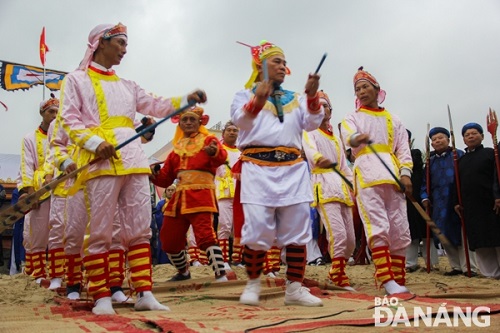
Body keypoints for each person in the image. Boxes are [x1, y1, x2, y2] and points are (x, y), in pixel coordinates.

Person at [52, 22, 206, 315]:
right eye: (120, 43)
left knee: (139, 230)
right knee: (100, 232)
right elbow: (70, 121)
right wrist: (95, 142)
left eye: (126, 44)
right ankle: (101, 296)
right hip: (101, 164)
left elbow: (158, 105)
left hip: (134, 161)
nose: (124, 50)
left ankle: (144, 292)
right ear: (101, 42)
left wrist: (186, 100)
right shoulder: (75, 80)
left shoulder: (128, 85)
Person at [231, 40, 324, 307]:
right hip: (257, 168)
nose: (283, 67)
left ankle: (294, 288)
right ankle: (252, 283)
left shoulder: (296, 98)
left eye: (284, 62)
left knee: (297, 231)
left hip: (293, 168)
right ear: (261, 65)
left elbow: (312, 121)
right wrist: (259, 98)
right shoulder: (242, 95)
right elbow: (242, 121)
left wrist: (312, 96)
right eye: (277, 62)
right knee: (258, 228)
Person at [340, 67, 412, 295]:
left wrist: (406, 174)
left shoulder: (394, 119)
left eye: (365, 87)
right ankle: (386, 279)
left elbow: (403, 149)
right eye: (357, 89)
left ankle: (399, 279)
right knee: (378, 227)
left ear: (377, 89)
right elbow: (347, 136)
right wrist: (355, 138)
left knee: (400, 230)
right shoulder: (353, 117)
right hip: (367, 176)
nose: (361, 92)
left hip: (393, 178)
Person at [151, 105, 229, 281]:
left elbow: (222, 157)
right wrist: (153, 174)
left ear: (200, 122)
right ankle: (183, 271)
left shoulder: (209, 140)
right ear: (179, 124)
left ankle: (220, 273)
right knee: (168, 239)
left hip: (201, 196)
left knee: (205, 236)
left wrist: (214, 152)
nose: (188, 122)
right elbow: (165, 179)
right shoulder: (176, 149)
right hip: (179, 199)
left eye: (192, 119)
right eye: (184, 119)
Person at [303, 91, 356, 290]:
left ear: (330, 111)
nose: (321, 110)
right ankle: (338, 274)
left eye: (324, 106)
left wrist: (353, 186)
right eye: (316, 106)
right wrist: (318, 158)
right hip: (323, 186)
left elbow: (344, 166)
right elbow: (310, 152)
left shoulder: (335, 138)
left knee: (350, 239)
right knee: (338, 234)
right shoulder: (309, 132)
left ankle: (337, 270)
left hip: (341, 188)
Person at [421, 127, 478, 276]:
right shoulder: (430, 161)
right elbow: (425, 182)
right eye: (434, 139)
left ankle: (468, 267)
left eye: (441, 138)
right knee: (443, 235)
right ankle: (456, 266)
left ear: (448, 139)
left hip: (455, 200)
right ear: (431, 144)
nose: (438, 141)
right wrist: (425, 197)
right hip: (438, 203)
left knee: (461, 233)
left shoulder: (458, 155)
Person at [16, 95, 58, 284]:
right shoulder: (30, 138)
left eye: (57, 112)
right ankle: (38, 274)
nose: (54, 115)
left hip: (60, 190)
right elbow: (26, 166)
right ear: (42, 113)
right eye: (51, 112)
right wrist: (28, 192)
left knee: (61, 232)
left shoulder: (62, 136)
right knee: (37, 232)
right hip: (39, 192)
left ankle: (59, 275)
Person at [455, 123, 500, 278]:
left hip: (491, 203)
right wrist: (457, 202)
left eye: (474, 133)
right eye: (467, 135)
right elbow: (457, 183)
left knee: (496, 237)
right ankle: (490, 274)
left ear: (482, 136)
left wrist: (498, 196)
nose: (471, 137)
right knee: (480, 240)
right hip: (471, 206)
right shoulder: (460, 161)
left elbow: (497, 176)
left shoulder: (491, 153)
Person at [405, 129, 438, 272]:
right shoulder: (390, 157)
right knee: (410, 234)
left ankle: (431, 263)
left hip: (420, 199)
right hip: (404, 202)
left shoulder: (414, 154)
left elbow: (417, 165)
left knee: (426, 234)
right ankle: (410, 263)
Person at [214, 121, 241, 268]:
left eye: (235, 130)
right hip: (223, 191)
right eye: (229, 130)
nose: (232, 133)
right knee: (224, 225)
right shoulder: (218, 150)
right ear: (223, 133)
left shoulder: (241, 152)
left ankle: (237, 259)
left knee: (238, 227)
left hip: (239, 193)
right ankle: (223, 260)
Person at [153, 185, 176, 265]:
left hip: (176, 230)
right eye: (168, 190)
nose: (170, 192)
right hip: (164, 230)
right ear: (165, 192)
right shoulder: (161, 204)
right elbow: (158, 216)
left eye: (172, 190)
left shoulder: (178, 202)